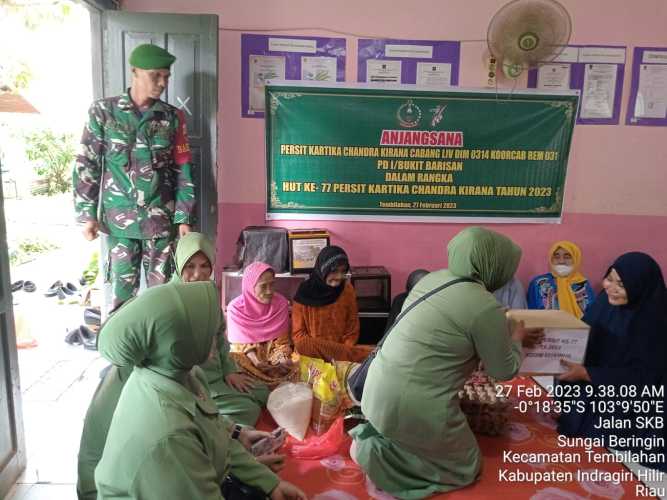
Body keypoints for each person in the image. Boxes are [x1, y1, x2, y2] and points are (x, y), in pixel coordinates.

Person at [75, 234, 271, 500]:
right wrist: (237, 471)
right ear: (175, 338)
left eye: (205, 266)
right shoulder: (166, 423)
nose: (209, 338)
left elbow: (205, 420)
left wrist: (239, 440)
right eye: (190, 266)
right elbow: (192, 470)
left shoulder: (175, 369)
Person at [349, 227, 535, 498]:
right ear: (495, 266)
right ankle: (374, 456)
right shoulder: (485, 307)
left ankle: (381, 440)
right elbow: (503, 370)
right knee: (466, 465)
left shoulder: (433, 279)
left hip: (375, 392)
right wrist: (516, 339)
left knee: (419, 436)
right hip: (414, 405)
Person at [94, 281, 306, 500]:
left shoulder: (185, 375)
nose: (220, 341)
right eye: (211, 333)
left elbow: (213, 432)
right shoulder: (171, 435)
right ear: (179, 345)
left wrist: (268, 482)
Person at [73, 43, 196, 313]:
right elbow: (87, 163)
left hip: (160, 222)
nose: (162, 83)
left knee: (161, 297)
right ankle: (123, 354)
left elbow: (182, 168)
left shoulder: (172, 117)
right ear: (135, 72)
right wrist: (87, 214)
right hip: (119, 223)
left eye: (166, 76)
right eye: (156, 76)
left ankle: (155, 352)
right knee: (121, 298)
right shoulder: (103, 112)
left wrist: (184, 217)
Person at [557, 252, 667, 472]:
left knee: (604, 436)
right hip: (598, 378)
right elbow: (582, 337)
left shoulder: (655, 322)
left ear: (639, 287)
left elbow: (645, 377)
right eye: (610, 279)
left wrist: (588, 374)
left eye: (621, 284)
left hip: (635, 398)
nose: (611, 287)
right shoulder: (604, 303)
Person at [172, 233, 270, 426]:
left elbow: (221, 338)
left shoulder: (208, 293)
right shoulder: (169, 300)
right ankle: (212, 423)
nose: (198, 274)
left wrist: (229, 371)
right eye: (190, 266)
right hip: (193, 381)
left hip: (217, 373)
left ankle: (213, 415)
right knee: (249, 410)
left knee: (263, 393)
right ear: (178, 265)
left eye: (204, 266)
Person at [292, 246, 372, 362]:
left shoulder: (347, 290)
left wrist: (340, 356)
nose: (339, 277)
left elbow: (352, 329)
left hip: (342, 355)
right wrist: (328, 352)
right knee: (301, 346)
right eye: (334, 271)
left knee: (375, 357)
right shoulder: (304, 293)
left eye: (343, 271)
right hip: (313, 356)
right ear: (322, 269)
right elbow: (298, 336)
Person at [227, 261, 299, 387]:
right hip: (248, 355)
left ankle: (267, 385)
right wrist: (256, 361)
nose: (269, 291)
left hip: (274, 353)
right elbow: (238, 345)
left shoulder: (281, 303)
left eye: (272, 285)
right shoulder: (235, 308)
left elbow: (282, 342)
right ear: (250, 286)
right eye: (263, 286)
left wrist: (282, 360)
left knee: (294, 364)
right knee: (235, 360)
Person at [527, 240, 595, 318]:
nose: (561, 261)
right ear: (551, 259)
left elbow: (592, 315)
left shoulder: (583, 284)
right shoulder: (538, 283)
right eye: (556, 257)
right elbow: (531, 314)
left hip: (579, 329)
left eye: (567, 257)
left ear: (576, 259)